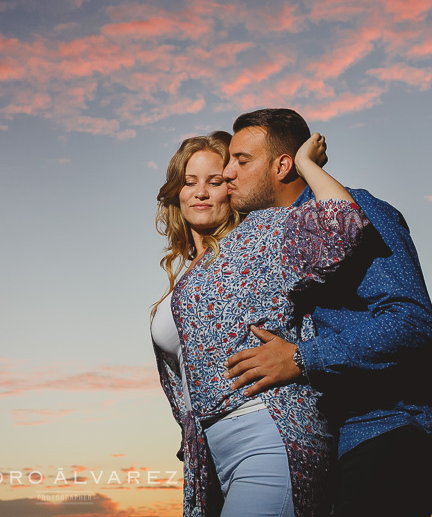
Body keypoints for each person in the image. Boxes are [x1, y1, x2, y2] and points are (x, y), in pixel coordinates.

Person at [222, 109, 432, 517]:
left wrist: (301, 357)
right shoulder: (275, 237)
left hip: (392, 427)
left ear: (282, 165)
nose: (227, 172)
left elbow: (412, 321)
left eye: (241, 160)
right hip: (333, 441)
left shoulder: (360, 211)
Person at [151, 130, 368, 517]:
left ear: (231, 188)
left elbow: (344, 226)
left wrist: (305, 164)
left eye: (214, 181)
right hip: (212, 455)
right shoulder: (186, 274)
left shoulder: (261, 234)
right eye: (189, 182)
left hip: (269, 432)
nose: (200, 192)